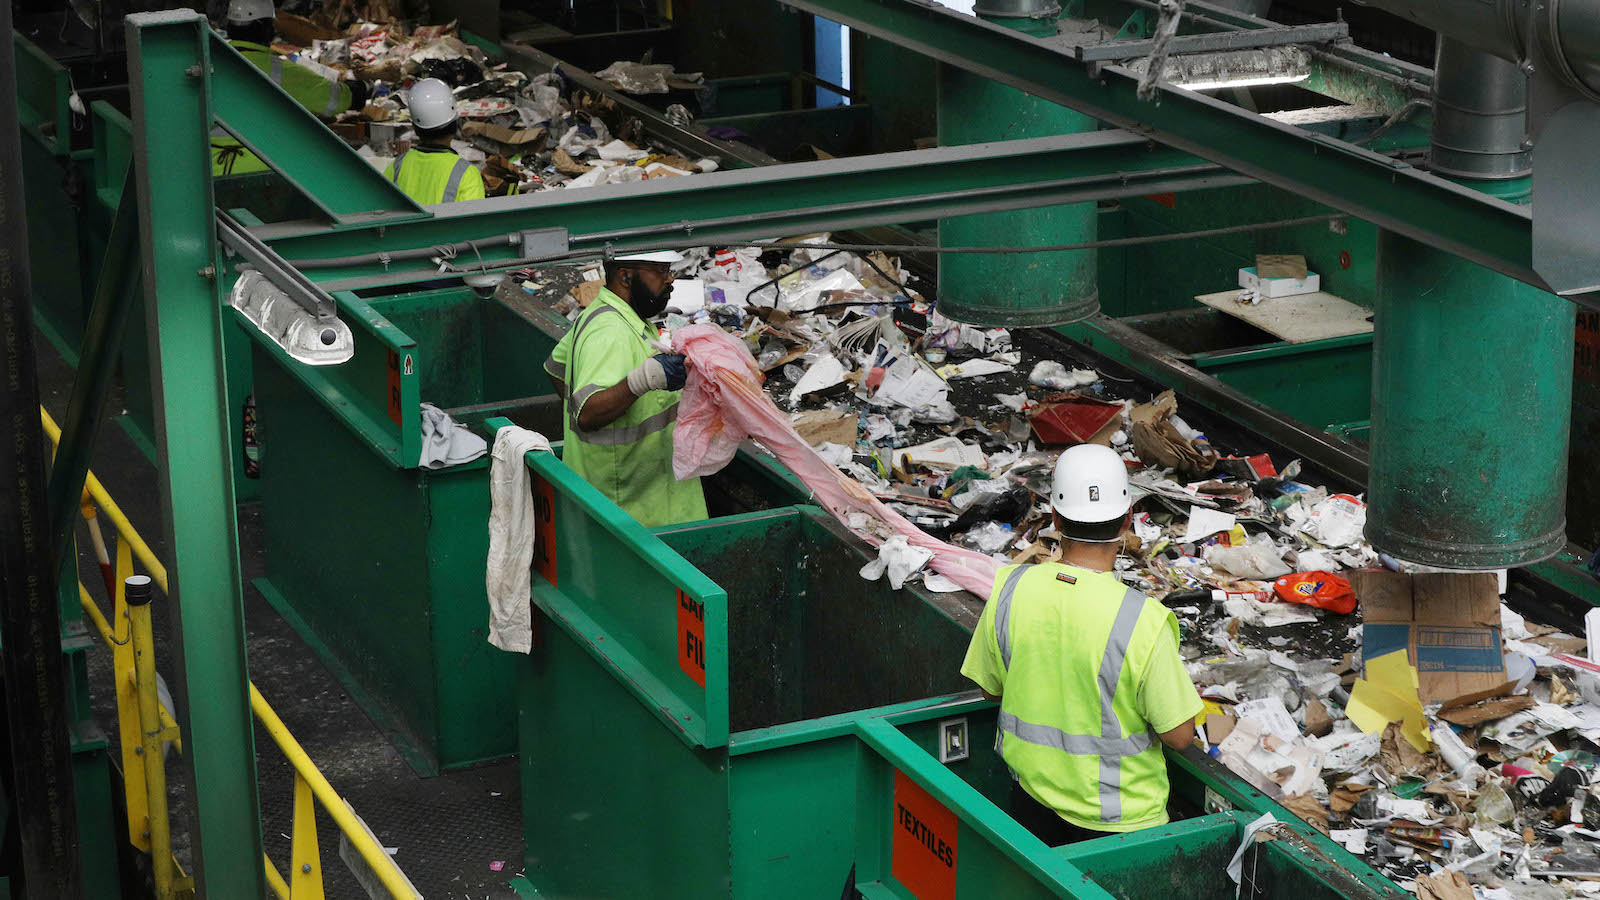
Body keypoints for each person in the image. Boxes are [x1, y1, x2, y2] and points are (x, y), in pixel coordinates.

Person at [961, 443, 1202, 846]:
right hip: (1120, 827)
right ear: (1127, 521)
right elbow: (1179, 736)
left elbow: (991, 689)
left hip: (1031, 802)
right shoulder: (1141, 618)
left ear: (1054, 516)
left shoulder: (1011, 587)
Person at [542, 251, 707, 527]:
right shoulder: (610, 332)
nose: (670, 278)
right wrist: (641, 381)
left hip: (649, 491)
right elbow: (587, 412)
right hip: (630, 509)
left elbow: (555, 367)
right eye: (659, 270)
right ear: (625, 276)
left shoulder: (607, 314)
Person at [212, 0, 367, 175]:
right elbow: (337, 99)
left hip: (211, 172)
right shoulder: (280, 71)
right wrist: (356, 89)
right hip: (263, 172)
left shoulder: (209, 66)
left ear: (230, 28)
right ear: (267, 29)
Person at [382, 78, 486, 204]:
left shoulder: (397, 166)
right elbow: (473, 221)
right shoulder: (467, 174)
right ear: (455, 124)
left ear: (415, 128)